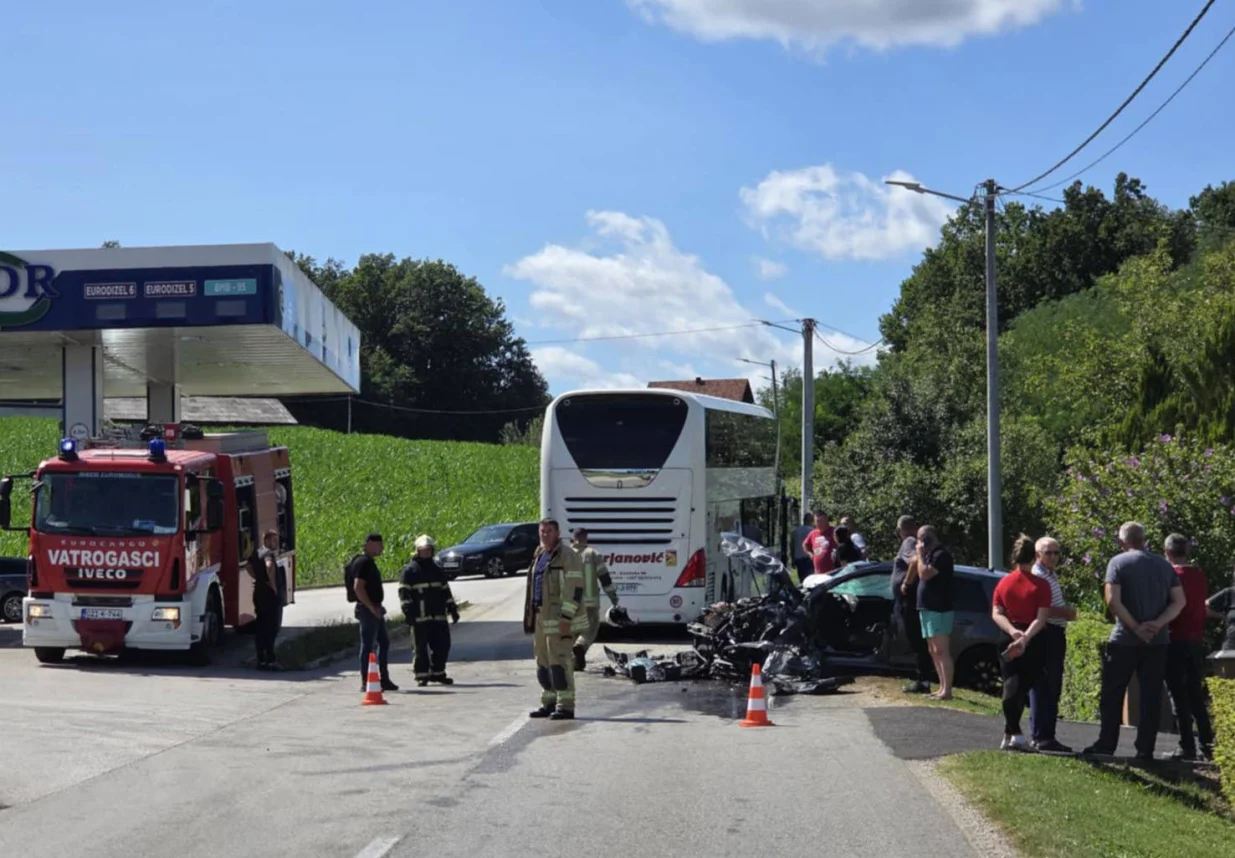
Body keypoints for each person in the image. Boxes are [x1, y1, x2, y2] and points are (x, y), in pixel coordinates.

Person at [1083, 521, 1184, 760]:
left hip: (1124, 640)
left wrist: (1136, 627)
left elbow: (1112, 601)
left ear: (1122, 542)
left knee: (1112, 693)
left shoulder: (1118, 563)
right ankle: (1145, 749)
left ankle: (1107, 744)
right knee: (1151, 696)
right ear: (1144, 540)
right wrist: (1157, 624)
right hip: (1157, 641)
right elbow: (1179, 602)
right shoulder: (1163, 565)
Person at [991, 535, 1053, 751]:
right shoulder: (1041, 585)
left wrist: (1012, 631)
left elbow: (996, 613)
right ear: (1035, 557)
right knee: (1020, 686)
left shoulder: (1003, 583)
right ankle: (1015, 733)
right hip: (1033, 638)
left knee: (1011, 682)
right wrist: (1025, 638)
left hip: (1008, 635)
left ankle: (1009, 733)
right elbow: (1042, 617)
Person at [524, 519, 585, 720]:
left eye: (549, 531)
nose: (545, 534)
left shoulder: (568, 555)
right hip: (541, 616)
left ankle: (566, 706)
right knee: (543, 662)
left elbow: (575, 587)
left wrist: (567, 616)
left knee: (559, 662)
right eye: (542, 531)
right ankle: (549, 702)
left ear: (557, 533)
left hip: (560, 618)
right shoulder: (540, 554)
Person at [1162, 533, 1215, 761]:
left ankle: (1186, 745)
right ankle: (1207, 743)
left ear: (1167, 553)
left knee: (1177, 694)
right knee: (1195, 693)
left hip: (1174, 638)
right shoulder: (1199, 575)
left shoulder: (1170, 575)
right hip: (1195, 639)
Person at [1028, 536, 1077, 753]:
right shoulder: (1039, 576)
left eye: (1057, 552)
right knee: (1045, 685)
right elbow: (1042, 609)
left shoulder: (1050, 574)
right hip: (1047, 633)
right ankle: (1042, 736)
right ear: (1038, 554)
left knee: (1051, 686)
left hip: (1056, 631)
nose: (1054, 557)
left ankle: (1046, 734)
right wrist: (1065, 613)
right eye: (1049, 553)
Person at [398, 535, 460, 687]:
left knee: (443, 645)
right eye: (423, 550)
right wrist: (408, 611)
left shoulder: (437, 569)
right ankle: (422, 675)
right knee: (420, 648)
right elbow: (404, 593)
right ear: (417, 551)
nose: (426, 553)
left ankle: (438, 673)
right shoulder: (410, 570)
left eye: (428, 550)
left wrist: (452, 608)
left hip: (438, 614)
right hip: (420, 616)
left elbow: (445, 590)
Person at [349, 533, 398, 692]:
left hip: (374, 608)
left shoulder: (368, 562)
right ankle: (366, 681)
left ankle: (383, 679)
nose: (382, 548)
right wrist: (371, 607)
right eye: (379, 545)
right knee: (368, 645)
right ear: (369, 543)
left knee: (384, 642)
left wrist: (377, 606)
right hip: (367, 610)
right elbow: (358, 587)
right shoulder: (363, 562)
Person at [892, 515, 932, 694]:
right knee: (917, 641)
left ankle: (922, 681)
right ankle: (922, 679)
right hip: (910, 601)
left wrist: (906, 583)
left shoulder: (908, 541)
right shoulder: (914, 541)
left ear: (900, 530)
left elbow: (915, 561)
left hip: (909, 600)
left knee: (916, 641)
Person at [570, 528, 620, 671]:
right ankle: (581, 646)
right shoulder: (592, 554)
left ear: (573, 538)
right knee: (590, 629)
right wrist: (613, 597)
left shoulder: (565, 555)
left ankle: (575, 663)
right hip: (589, 601)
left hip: (570, 602)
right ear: (586, 538)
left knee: (573, 629)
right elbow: (604, 578)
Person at [915, 525, 955, 700]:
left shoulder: (941, 555)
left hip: (939, 609)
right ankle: (941, 687)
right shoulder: (929, 555)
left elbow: (924, 574)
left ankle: (947, 691)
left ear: (927, 538)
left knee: (941, 650)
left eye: (920, 539)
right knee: (933, 650)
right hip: (927, 607)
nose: (919, 543)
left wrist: (919, 554)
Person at [250, 529, 283, 671]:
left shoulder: (256, 552)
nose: (276, 543)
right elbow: (269, 566)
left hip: (258, 592)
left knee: (260, 626)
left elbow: (247, 566)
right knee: (271, 627)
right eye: (274, 540)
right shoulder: (268, 554)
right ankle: (271, 659)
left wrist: (257, 578)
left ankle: (260, 659)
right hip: (269, 594)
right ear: (267, 540)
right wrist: (273, 585)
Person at [803, 510, 837, 578]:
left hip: (833, 572)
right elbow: (805, 544)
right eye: (817, 521)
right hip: (818, 573)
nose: (819, 523)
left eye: (822, 520)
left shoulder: (834, 531)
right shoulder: (813, 533)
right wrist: (810, 554)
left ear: (827, 519)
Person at [791, 513, 815, 584]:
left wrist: (792, 558)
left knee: (801, 578)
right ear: (811, 520)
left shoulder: (796, 531)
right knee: (810, 578)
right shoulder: (812, 531)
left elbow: (792, 545)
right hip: (808, 558)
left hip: (798, 558)